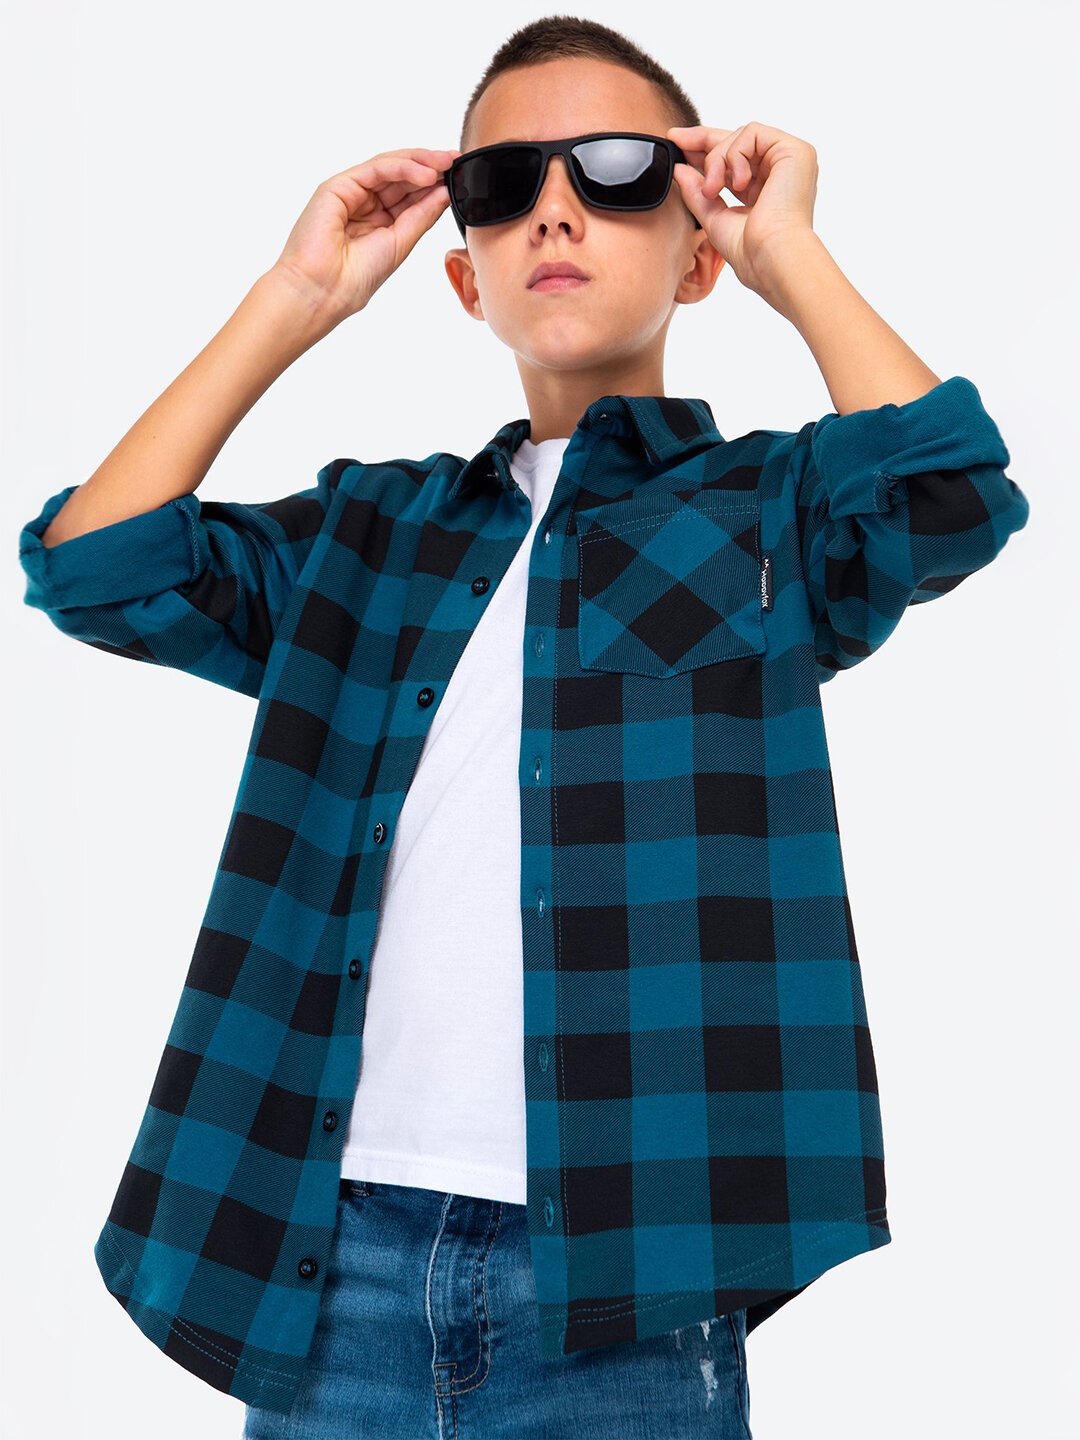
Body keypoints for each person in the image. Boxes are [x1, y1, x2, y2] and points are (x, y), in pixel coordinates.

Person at [16, 15, 1029, 1440]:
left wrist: (789, 252)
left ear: (697, 255)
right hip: (329, 1268)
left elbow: (950, 495)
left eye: (615, 171)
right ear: (465, 276)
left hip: (629, 1279)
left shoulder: (765, 514)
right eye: (503, 184)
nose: (555, 209)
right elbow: (97, 568)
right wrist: (296, 297)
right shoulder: (370, 534)